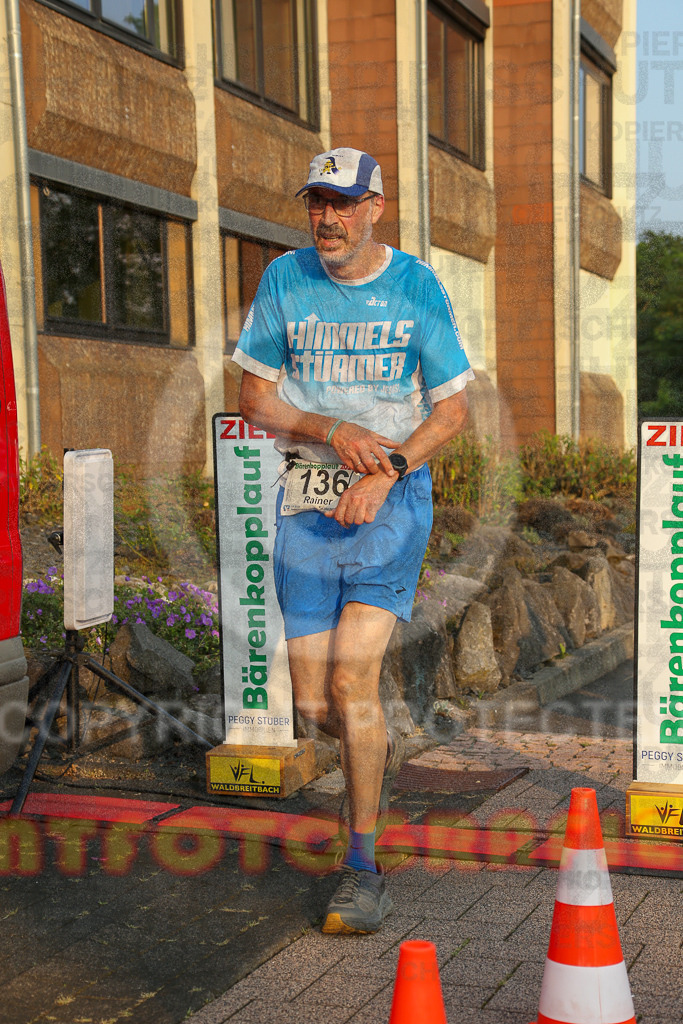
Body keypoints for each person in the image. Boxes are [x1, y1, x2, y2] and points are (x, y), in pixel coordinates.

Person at [233, 147, 473, 934]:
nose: (326, 218)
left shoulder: (415, 287)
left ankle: (362, 866)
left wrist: (387, 467)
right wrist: (331, 430)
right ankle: (372, 746)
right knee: (312, 704)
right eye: (315, 202)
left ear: (375, 207)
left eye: (342, 203)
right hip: (304, 503)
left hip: (391, 504)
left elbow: (450, 412)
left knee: (349, 684)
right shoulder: (285, 279)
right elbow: (256, 396)